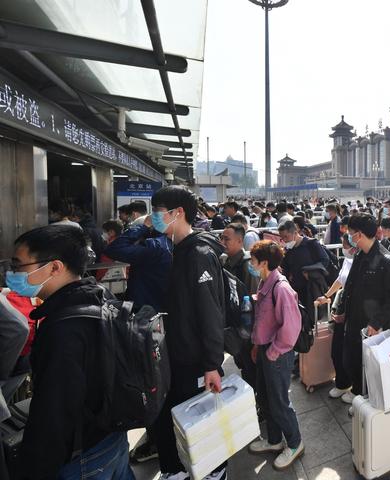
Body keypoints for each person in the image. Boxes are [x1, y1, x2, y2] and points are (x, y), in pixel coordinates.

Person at [8, 225, 134, 479]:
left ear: (54, 267)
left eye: (19, 265)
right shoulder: (100, 297)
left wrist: (34, 469)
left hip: (82, 457)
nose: (12, 274)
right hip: (112, 440)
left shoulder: (63, 328)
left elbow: (54, 412)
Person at [149, 186, 227, 480]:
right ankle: (181, 470)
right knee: (181, 415)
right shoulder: (179, 248)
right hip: (180, 354)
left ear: (177, 213)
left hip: (195, 359)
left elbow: (210, 313)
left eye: (157, 212)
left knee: (202, 419)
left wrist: (211, 364)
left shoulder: (198, 253)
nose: (153, 218)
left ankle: (215, 471)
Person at [336, 213, 390, 410]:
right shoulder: (360, 254)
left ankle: (366, 400)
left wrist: (376, 322)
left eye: (350, 233)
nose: (348, 237)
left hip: (372, 325)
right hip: (355, 319)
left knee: (370, 365)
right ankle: (358, 391)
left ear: (359, 234)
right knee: (352, 359)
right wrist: (342, 310)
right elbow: (350, 286)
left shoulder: (384, 260)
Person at [247, 241, 305, 470]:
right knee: (266, 397)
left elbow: (290, 329)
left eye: (253, 260)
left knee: (279, 401)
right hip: (265, 349)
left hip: (277, 353)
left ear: (264, 263)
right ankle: (273, 439)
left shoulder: (281, 288)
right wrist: (256, 345)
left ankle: (294, 442)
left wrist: (272, 351)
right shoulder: (265, 281)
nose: (250, 264)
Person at [315, 234, 356, 404]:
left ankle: (357, 388)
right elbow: (340, 280)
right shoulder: (348, 260)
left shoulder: (362, 262)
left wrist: (347, 313)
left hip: (354, 312)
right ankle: (342, 383)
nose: (343, 248)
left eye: (345, 245)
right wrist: (326, 295)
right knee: (337, 351)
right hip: (341, 309)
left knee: (351, 353)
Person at [220, 223, 260, 390]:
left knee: (253, 370)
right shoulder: (225, 262)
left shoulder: (248, 265)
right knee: (243, 366)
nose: (222, 241)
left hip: (247, 332)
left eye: (226, 239)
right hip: (235, 328)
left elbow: (253, 302)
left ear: (239, 241)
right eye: (221, 238)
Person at [278, 221, 329, 313]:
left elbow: (325, 260)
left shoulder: (311, 244)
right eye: (282, 238)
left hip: (312, 287)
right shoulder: (288, 250)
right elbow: (285, 267)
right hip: (295, 289)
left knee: (313, 315)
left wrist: (310, 272)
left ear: (295, 233)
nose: (285, 240)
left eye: (286, 237)